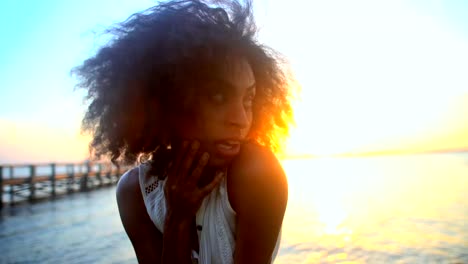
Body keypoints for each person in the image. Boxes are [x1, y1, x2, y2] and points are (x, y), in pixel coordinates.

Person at [73, 0, 296, 263]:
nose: (240, 119)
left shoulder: (256, 174)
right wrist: (177, 219)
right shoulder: (135, 193)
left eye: (248, 99)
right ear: (171, 101)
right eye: (218, 96)